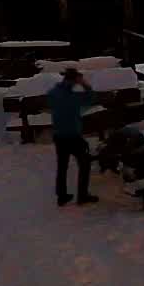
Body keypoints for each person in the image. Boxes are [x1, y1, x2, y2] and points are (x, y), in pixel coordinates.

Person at [45, 67, 99, 206]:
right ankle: (83, 195)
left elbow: (50, 101)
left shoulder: (53, 93)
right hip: (73, 136)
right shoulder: (73, 97)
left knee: (62, 166)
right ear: (75, 79)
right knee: (85, 163)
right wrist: (85, 84)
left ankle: (61, 196)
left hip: (58, 135)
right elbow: (91, 98)